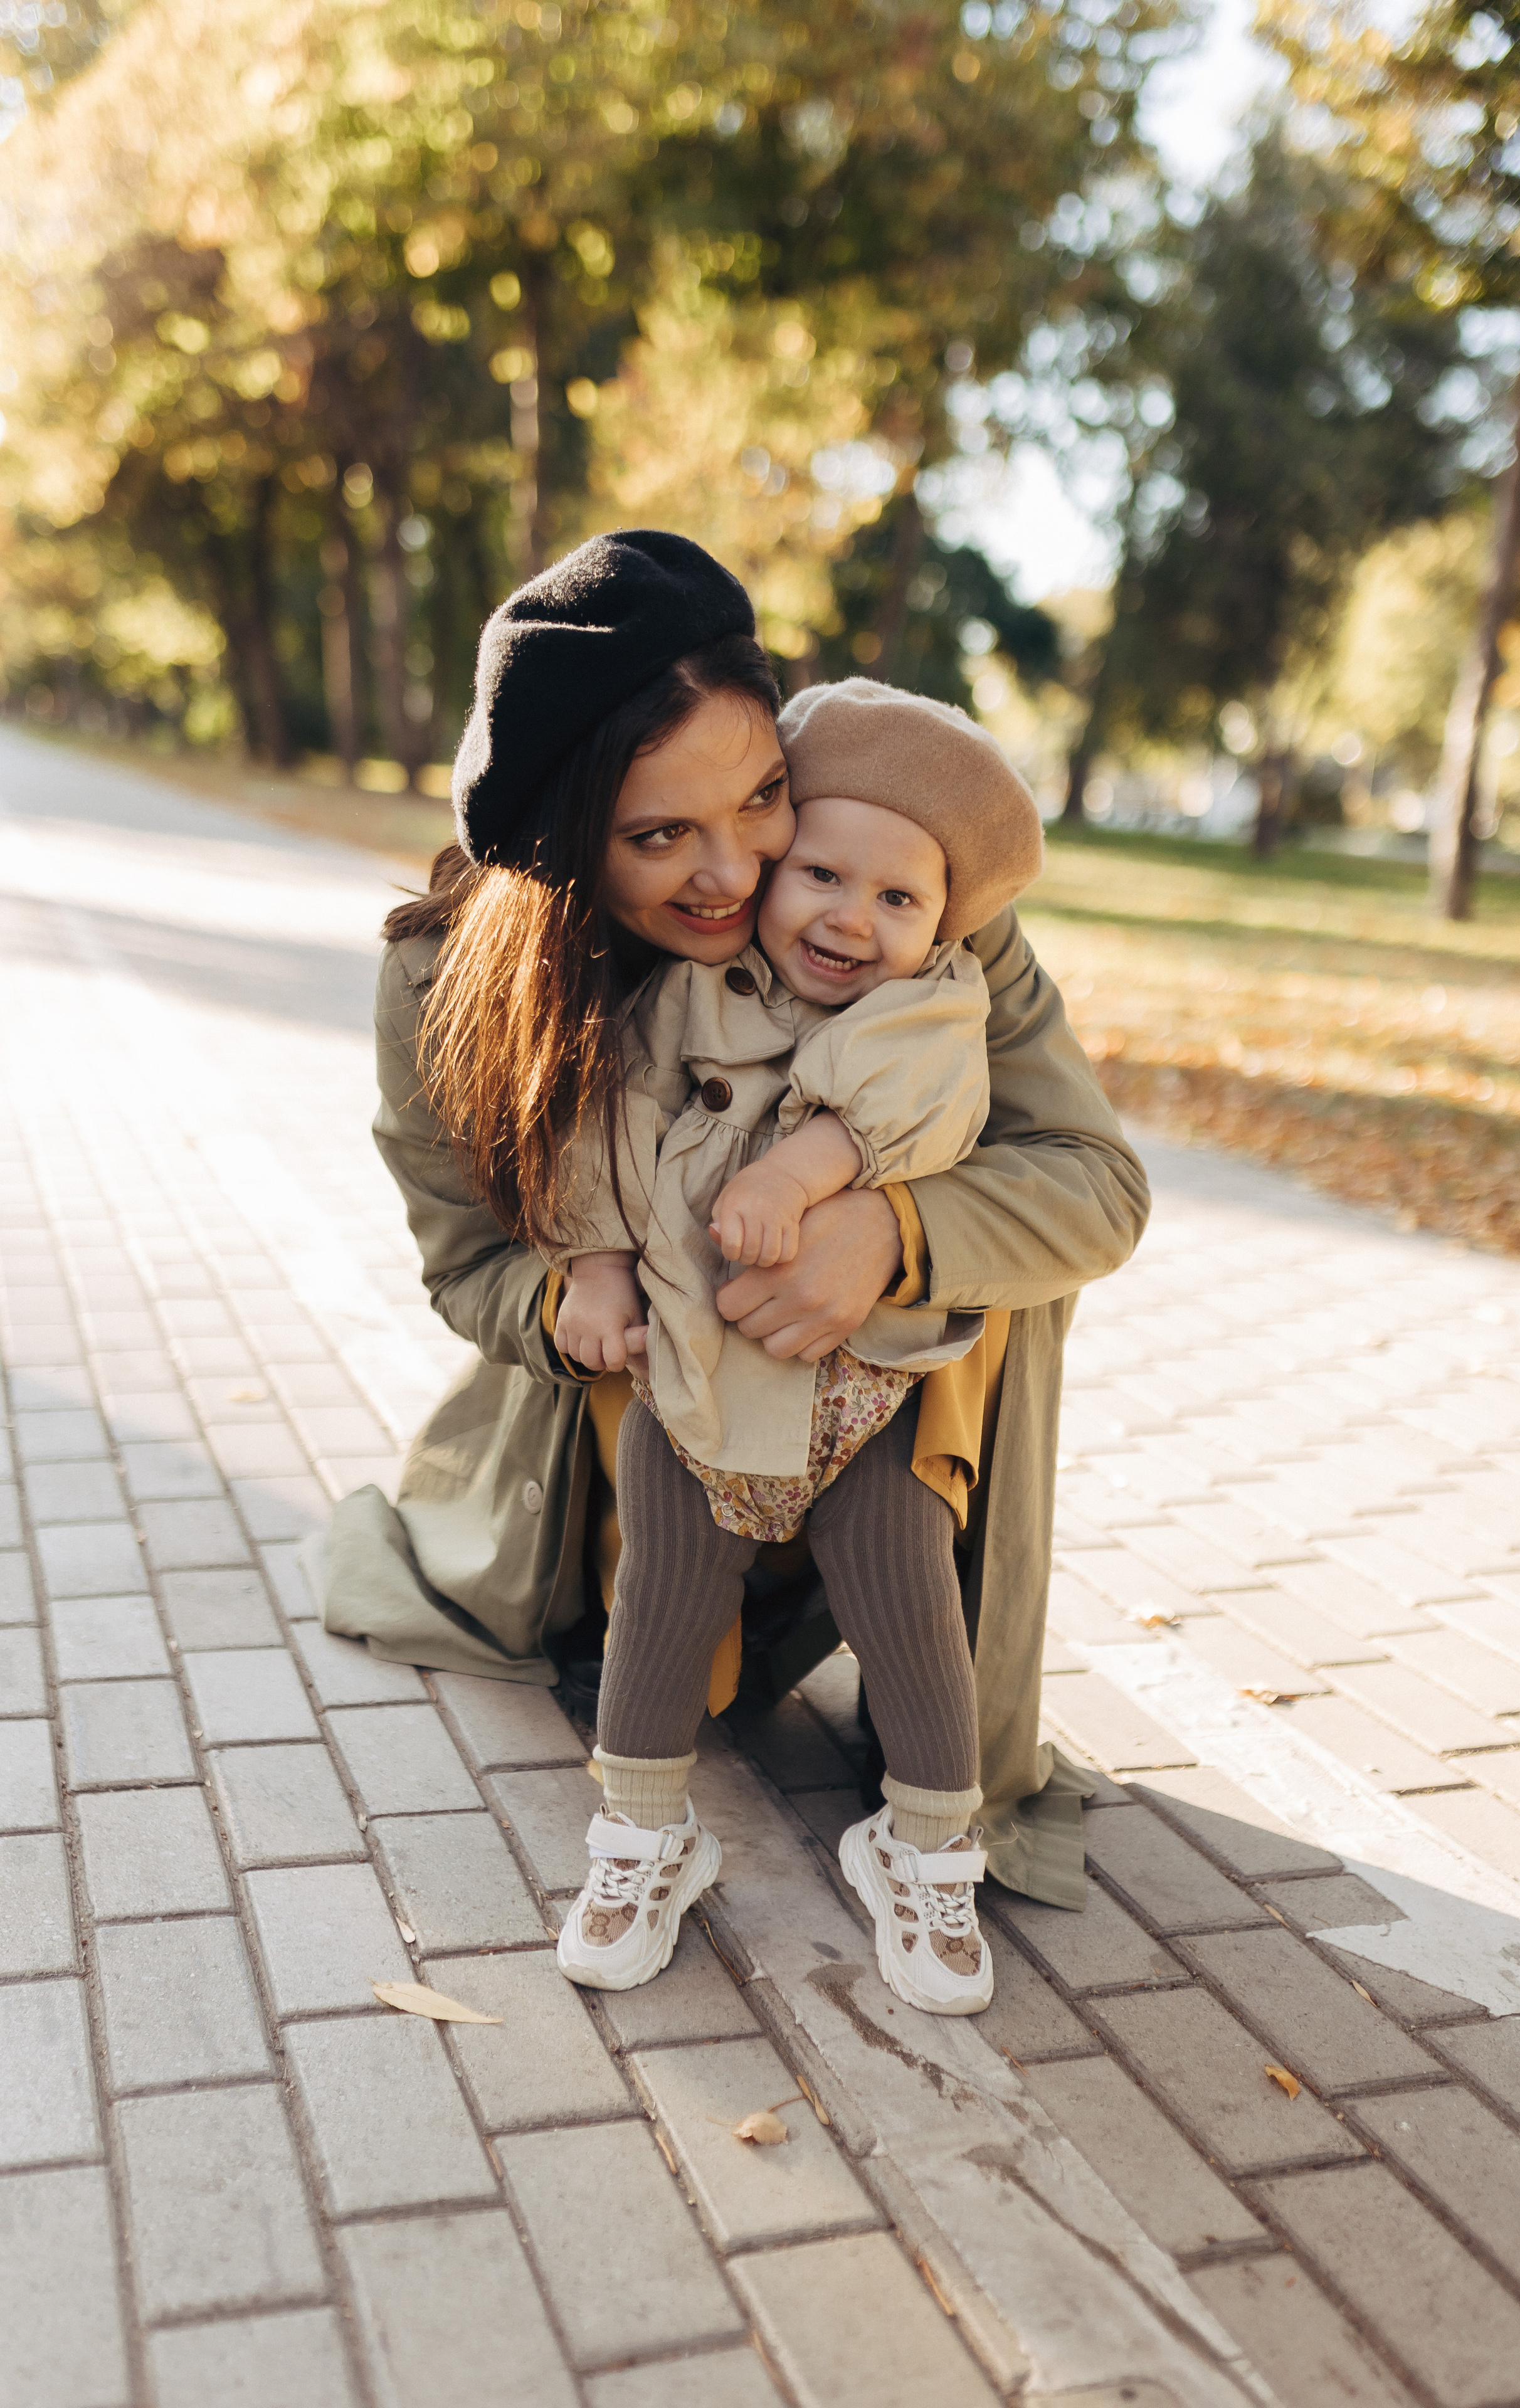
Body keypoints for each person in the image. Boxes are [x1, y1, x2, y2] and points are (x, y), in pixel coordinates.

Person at [313, 527, 1149, 1911]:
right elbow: (466, 1265)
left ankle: (933, 1755)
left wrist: (887, 1231)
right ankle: (645, 1740)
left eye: (761, 797)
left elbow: (1093, 1183)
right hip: (634, 1448)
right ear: (567, 842)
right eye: (659, 838)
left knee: (1004, 1247)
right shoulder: (446, 983)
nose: (734, 872)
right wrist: (569, 1306)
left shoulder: (897, 891)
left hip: (874, 1437)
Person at [546, 682, 1047, 2012]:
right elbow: (610, 1113)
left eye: (898, 900)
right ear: (774, 864)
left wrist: (812, 1170)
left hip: (859, 1390)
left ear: (946, 924)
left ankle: (928, 1847)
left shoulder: (935, 1007)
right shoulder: (697, 998)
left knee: (904, 1586)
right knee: (661, 1589)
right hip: (698, 1373)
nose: (850, 917)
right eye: (820, 872)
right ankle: (644, 1835)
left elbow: (920, 1106)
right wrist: (595, 1262)